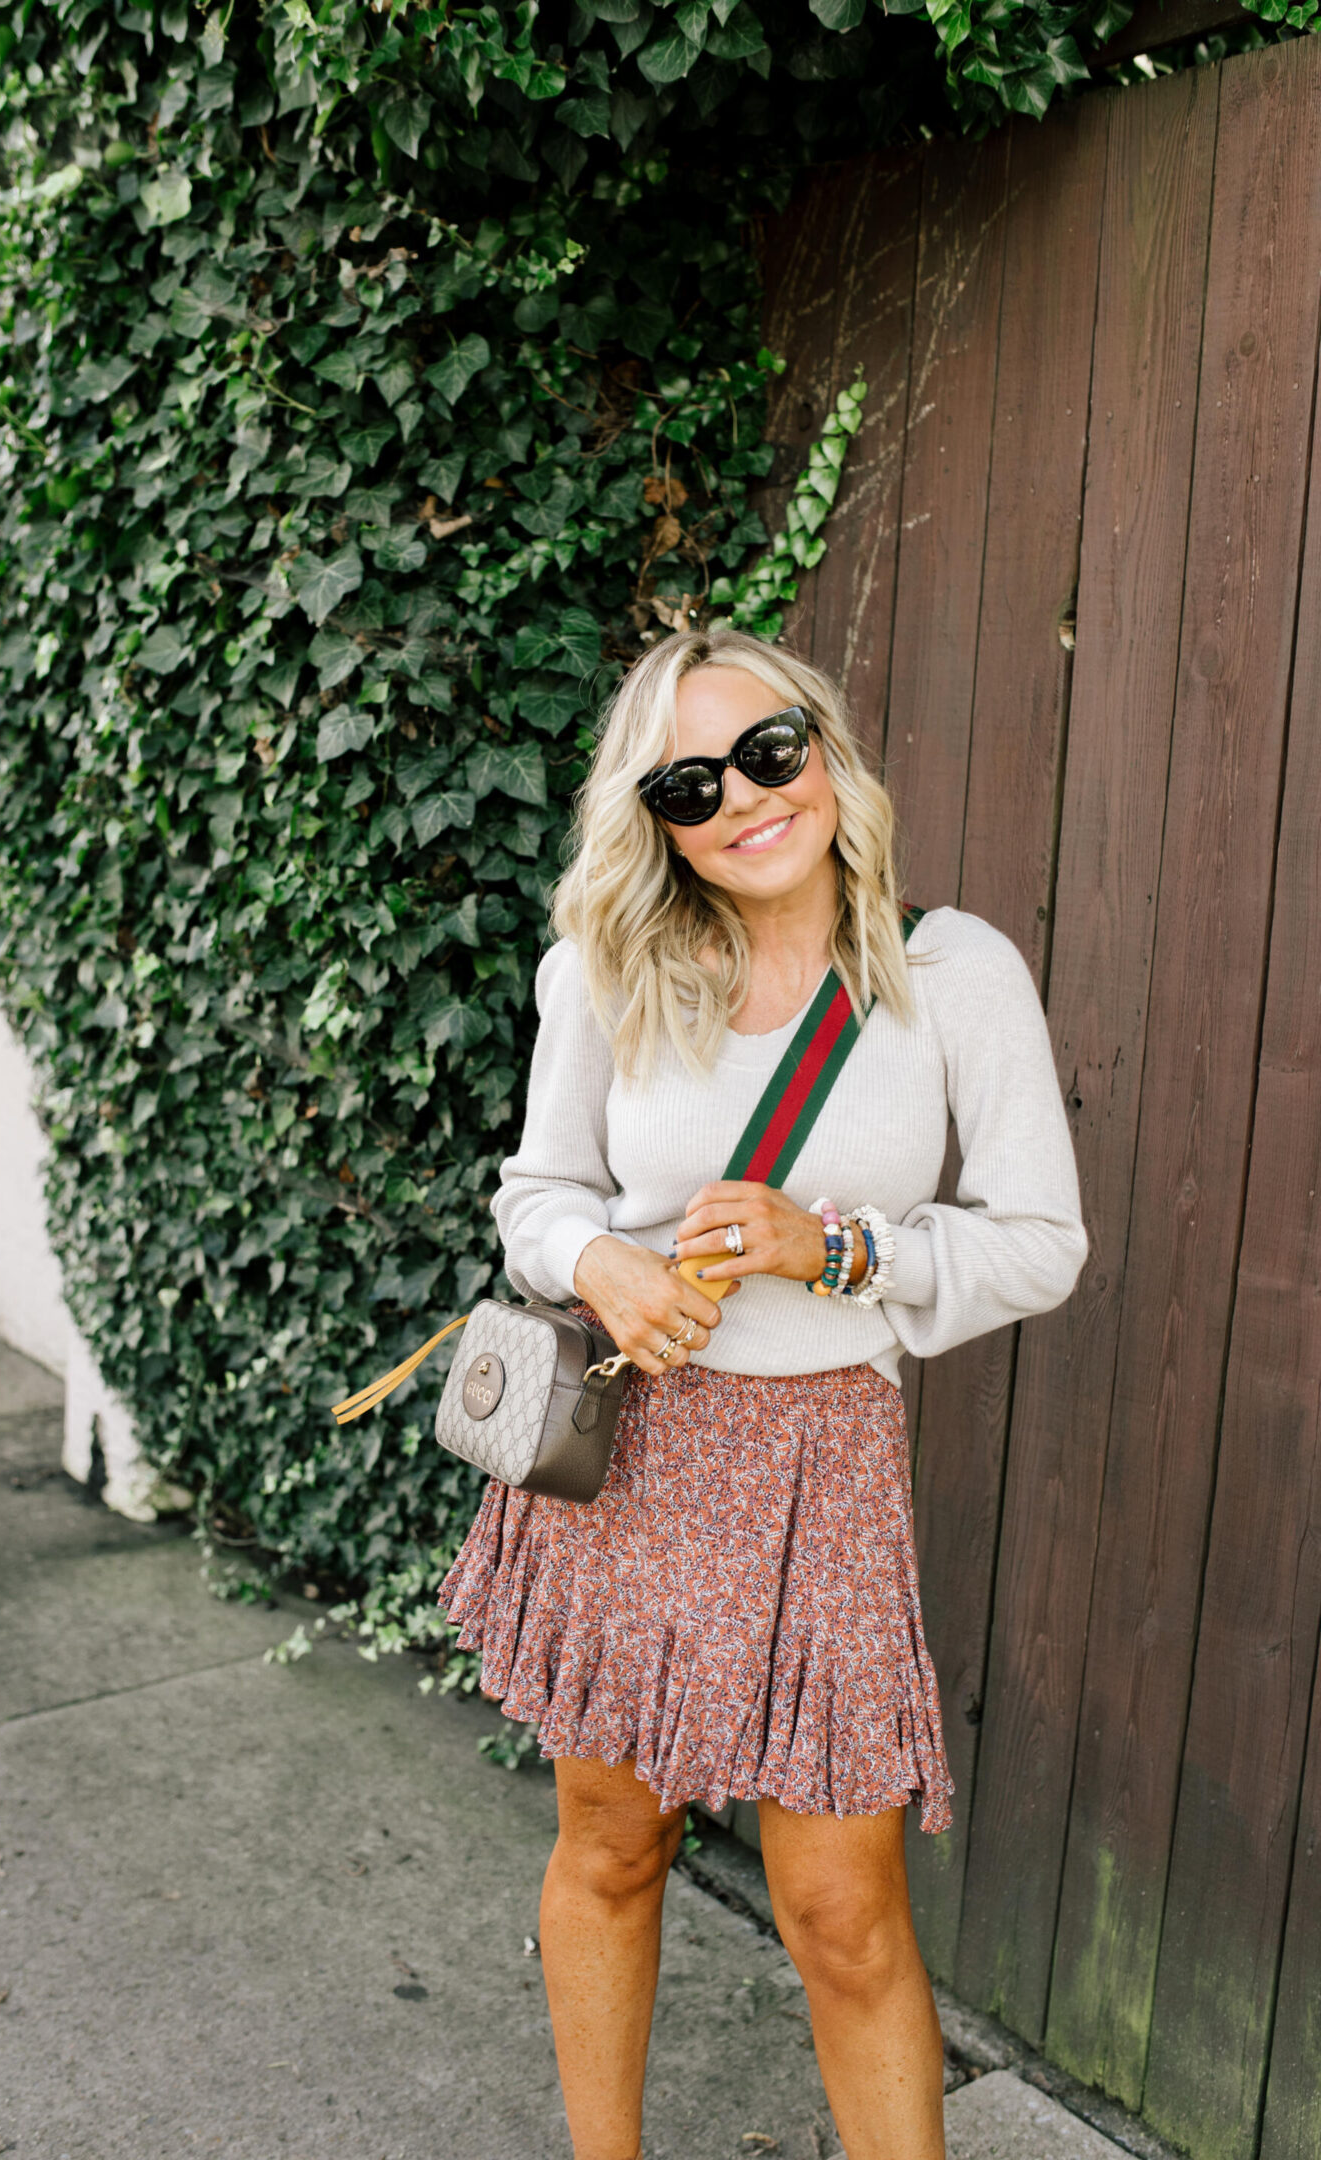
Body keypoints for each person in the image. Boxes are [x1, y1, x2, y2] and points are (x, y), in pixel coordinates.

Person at [439, 623, 1086, 2160]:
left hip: (822, 1465)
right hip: (632, 1450)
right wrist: (600, 1265)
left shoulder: (952, 971)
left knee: (844, 1912)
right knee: (609, 1841)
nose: (741, 794)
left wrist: (840, 1248)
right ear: (651, 815)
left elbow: (1043, 1243)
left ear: (826, 751)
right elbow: (535, 1194)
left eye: (768, 750)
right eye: (688, 779)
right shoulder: (599, 969)